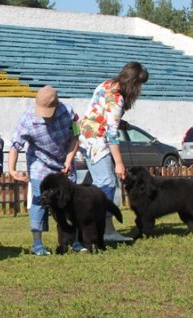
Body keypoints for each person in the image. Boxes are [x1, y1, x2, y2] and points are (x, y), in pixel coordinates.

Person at [8, 85, 84, 256]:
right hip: (39, 163)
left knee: (70, 200)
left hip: (64, 160)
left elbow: (75, 137)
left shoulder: (69, 113)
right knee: (39, 199)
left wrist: (69, 160)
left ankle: (75, 240)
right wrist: (12, 169)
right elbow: (15, 145)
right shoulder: (28, 118)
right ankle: (37, 244)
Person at [78, 61, 149, 243]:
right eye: (139, 86)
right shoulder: (117, 99)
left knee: (91, 184)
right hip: (97, 141)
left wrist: (118, 123)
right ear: (133, 84)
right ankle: (106, 230)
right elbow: (111, 134)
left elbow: (99, 113)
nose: (139, 91)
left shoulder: (106, 84)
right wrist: (119, 163)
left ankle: (84, 225)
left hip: (85, 137)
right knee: (107, 183)